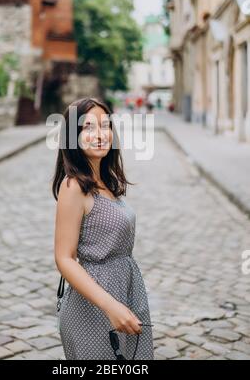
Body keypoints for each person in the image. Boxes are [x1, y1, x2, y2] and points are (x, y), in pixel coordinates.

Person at [52, 97, 154, 360]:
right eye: (88, 127)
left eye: (105, 125)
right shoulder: (73, 186)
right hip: (94, 308)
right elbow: (64, 258)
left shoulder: (106, 183)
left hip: (127, 291)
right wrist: (111, 306)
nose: (99, 134)